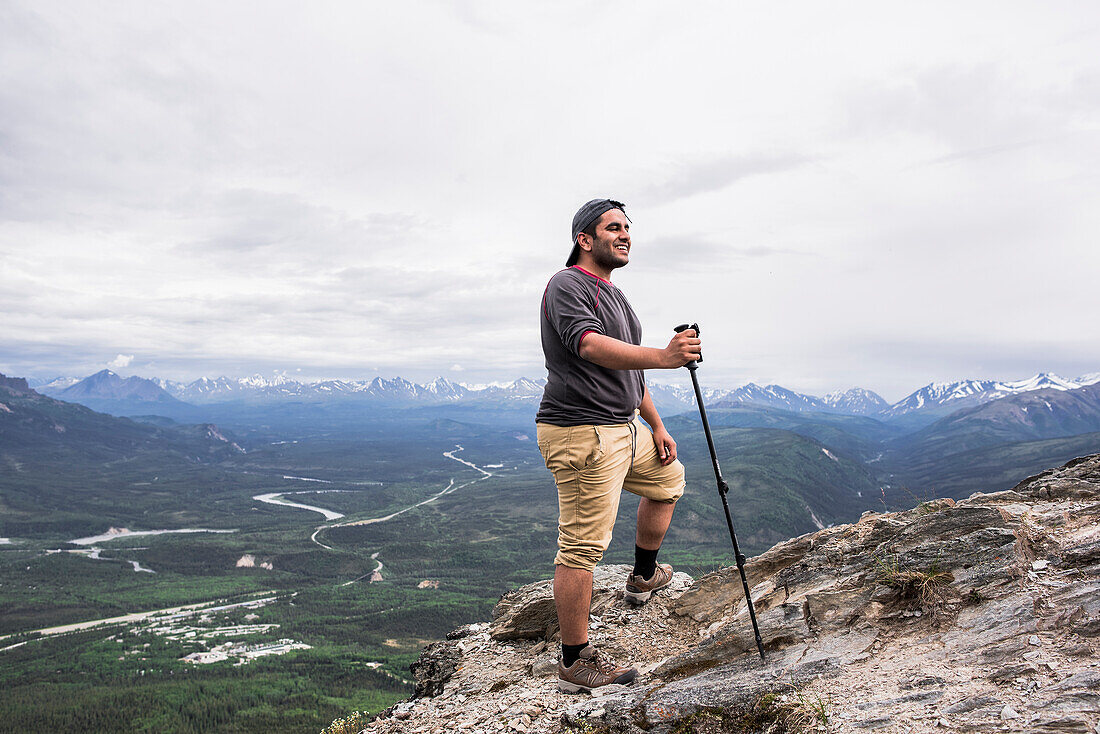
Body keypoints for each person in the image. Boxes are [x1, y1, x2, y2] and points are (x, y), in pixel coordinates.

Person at [536, 198, 701, 693]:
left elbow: (627, 369)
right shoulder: (568, 285)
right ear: (584, 239)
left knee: (668, 480)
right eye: (613, 228)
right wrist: (666, 356)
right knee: (583, 547)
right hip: (583, 432)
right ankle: (574, 661)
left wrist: (658, 425)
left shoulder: (616, 295)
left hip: (624, 427)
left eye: (628, 228)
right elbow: (587, 344)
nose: (625, 234)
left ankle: (644, 577)